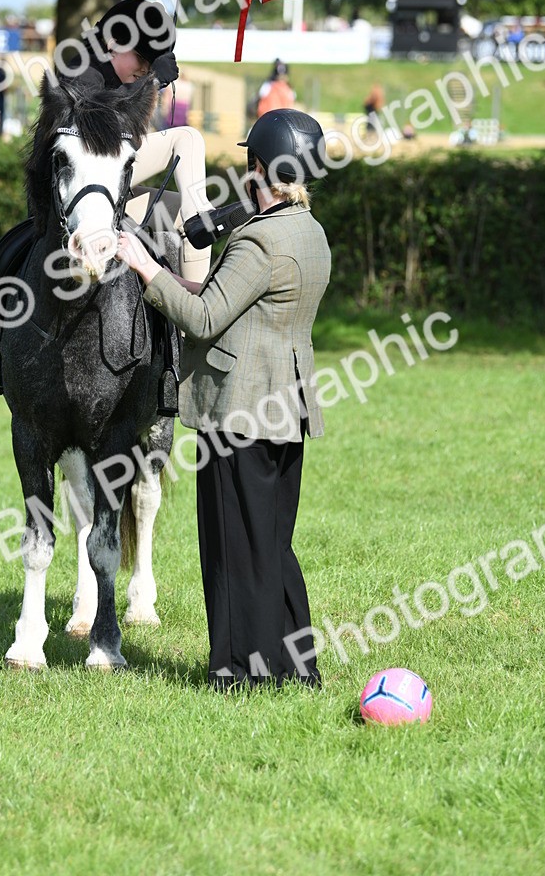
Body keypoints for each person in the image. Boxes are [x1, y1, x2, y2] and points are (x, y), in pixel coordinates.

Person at [117, 109, 331, 690]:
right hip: (286, 405)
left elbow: (207, 317)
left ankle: (239, 670)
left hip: (239, 409)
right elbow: (235, 300)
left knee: (232, 547)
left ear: (259, 166)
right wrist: (171, 277)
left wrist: (142, 267)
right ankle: (294, 666)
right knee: (270, 543)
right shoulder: (308, 233)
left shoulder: (259, 239)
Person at [67, 0, 214, 284]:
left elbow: (132, 140)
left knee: (188, 219)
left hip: (115, 184)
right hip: (85, 194)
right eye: (143, 59)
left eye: (151, 63)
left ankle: (195, 314)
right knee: (186, 135)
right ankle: (199, 214)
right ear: (113, 42)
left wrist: (147, 83)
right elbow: (104, 138)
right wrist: (148, 84)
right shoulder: (80, 69)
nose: (146, 67)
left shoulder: (121, 72)